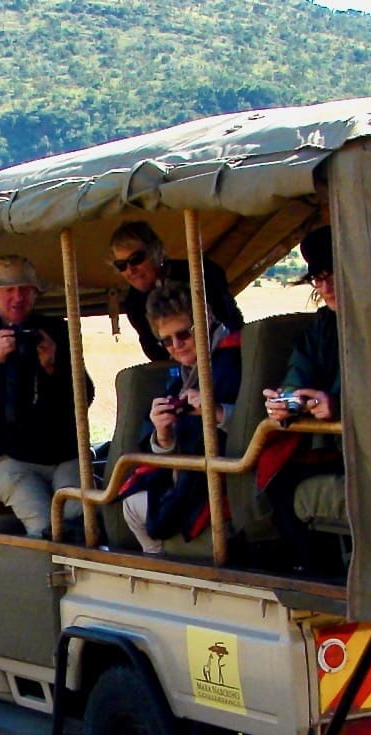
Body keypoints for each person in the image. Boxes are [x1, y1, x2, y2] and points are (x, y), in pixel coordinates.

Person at [0, 255, 93, 538]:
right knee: (42, 525)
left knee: (81, 521)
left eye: (24, 289)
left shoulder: (57, 331)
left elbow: (84, 397)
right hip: (12, 459)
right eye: (8, 290)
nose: (17, 297)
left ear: (35, 294)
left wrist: (53, 365)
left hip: (62, 454)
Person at [117, 282, 242, 555]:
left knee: (132, 506)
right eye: (166, 341)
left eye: (183, 335)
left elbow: (251, 422)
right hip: (194, 477)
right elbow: (164, 445)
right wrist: (163, 434)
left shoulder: (235, 359)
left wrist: (217, 413)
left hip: (225, 482)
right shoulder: (185, 376)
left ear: (205, 320)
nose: (176, 346)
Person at [260, 226, 345, 576]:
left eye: (332, 276)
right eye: (317, 279)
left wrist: (337, 405)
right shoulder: (325, 325)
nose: (324, 288)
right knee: (276, 481)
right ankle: (317, 576)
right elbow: (301, 366)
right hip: (336, 445)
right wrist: (287, 401)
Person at [109, 221, 244, 363]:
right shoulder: (133, 302)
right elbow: (152, 348)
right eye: (121, 265)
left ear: (156, 252)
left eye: (136, 259)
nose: (130, 270)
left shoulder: (201, 273)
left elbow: (231, 323)